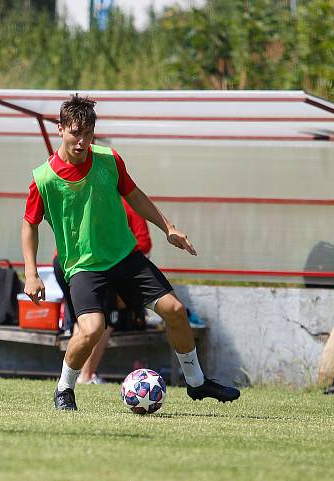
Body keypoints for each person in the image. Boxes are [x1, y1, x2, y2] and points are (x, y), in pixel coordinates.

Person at [21, 95, 240, 410]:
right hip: (84, 267)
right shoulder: (44, 178)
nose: (81, 141)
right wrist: (31, 274)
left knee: (175, 311)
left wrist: (169, 228)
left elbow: (134, 195)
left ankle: (197, 383)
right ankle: (64, 389)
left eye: (87, 133)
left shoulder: (109, 160)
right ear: (60, 130)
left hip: (125, 257)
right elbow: (29, 225)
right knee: (92, 328)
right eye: (74, 133)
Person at [54, 197, 152, 385]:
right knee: (101, 323)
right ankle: (87, 376)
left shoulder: (88, 198)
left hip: (63, 262)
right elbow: (144, 244)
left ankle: (71, 378)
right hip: (93, 266)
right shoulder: (129, 203)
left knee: (82, 321)